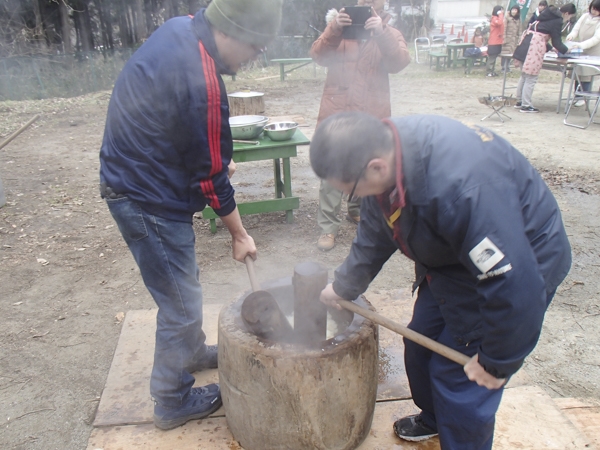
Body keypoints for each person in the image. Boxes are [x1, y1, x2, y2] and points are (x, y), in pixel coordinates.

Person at [310, 111, 572, 449]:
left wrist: (497, 360)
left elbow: (514, 282)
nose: (354, 199)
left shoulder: (458, 188)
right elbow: (377, 227)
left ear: (375, 167)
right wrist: (344, 285)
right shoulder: (388, 153)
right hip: (456, 258)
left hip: (517, 261)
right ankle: (435, 419)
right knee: (420, 343)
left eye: (351, 192)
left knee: (459, 377)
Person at [98, 0, 282, 430]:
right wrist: (239, 235)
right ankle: (171, 399)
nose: (251, 60)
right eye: (255, 49)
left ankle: (193, 352)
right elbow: (211, 177)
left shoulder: (182, 28)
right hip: (144, 195)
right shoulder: (204, 81)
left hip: (138, 172)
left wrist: (209, 162)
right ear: (233, 32)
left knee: (184, 286)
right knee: (181, 304)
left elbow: (183, 130)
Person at [310, 0, 410, 251]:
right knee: (333, 168)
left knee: (366, 166)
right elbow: (318, 56)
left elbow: (399, 63)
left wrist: (382, 33)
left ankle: (356, 211)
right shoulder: (339, 30)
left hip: (371, 112)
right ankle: (327, 228)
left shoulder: (389, 32)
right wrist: (334, 28)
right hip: (338, 112)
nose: (365, 2)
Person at [513, 4, 576, 113]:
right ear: (566, 13)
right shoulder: (557, 20)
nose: (568, 19)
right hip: (533, 48)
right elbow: (556, 41)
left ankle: (519, 101)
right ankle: (526, 105)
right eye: (570, 17)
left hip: (525, 44)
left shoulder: (545, 16)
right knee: (531, 77)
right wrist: (566, 50)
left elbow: (540, 33)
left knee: (524, 76)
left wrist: (551, 48)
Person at [567, 0, 600, 105]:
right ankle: (577, 95)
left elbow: (596, 39)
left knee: (587, 73)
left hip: (593, 51)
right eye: (593, 8)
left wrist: (581, 45)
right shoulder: (585, 16)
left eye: (597, 9)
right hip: (580, 49)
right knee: (578, 71)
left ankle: (583, 96)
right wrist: (571, 36)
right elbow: (576, 29)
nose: (594, 11)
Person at [501, 5, 521, 72]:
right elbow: (504, 29)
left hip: (514, 40)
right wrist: (504, 38)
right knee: (504, 54)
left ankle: (508, 67)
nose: (514, 11)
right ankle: (503, 67)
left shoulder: (518, 19)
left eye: (515, 10)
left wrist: (520, 39)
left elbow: (519, 30)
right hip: (507, 39)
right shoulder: (507, 18)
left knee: (510, 54)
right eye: (513, 10)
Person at [486, 6, 504, 76]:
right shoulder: (494, 19)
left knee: (495, 57)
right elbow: (499, 23)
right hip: (493, 41)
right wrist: (501, 14)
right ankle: (489, 71)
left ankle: (492, 70)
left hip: (498, 41)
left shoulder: (499, 18)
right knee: (492, 57)